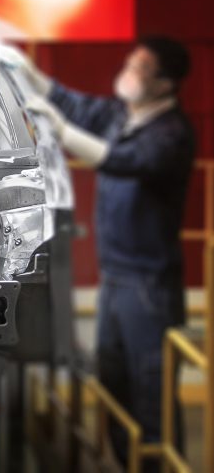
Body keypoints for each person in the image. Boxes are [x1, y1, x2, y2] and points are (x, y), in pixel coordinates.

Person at [24, 37, 194, 469]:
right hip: (115, 279)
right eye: (130, 63)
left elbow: (121, 161)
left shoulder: (171, 133)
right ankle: (125, 462)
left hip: (149, 287)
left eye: (141, 68)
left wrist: (62, 133)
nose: (129, 72)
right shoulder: (123, 115)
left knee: (151, 398)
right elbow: (76, 105)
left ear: (165, 84)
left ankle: (157, 465)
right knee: (114, 388)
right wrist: (27, 72)